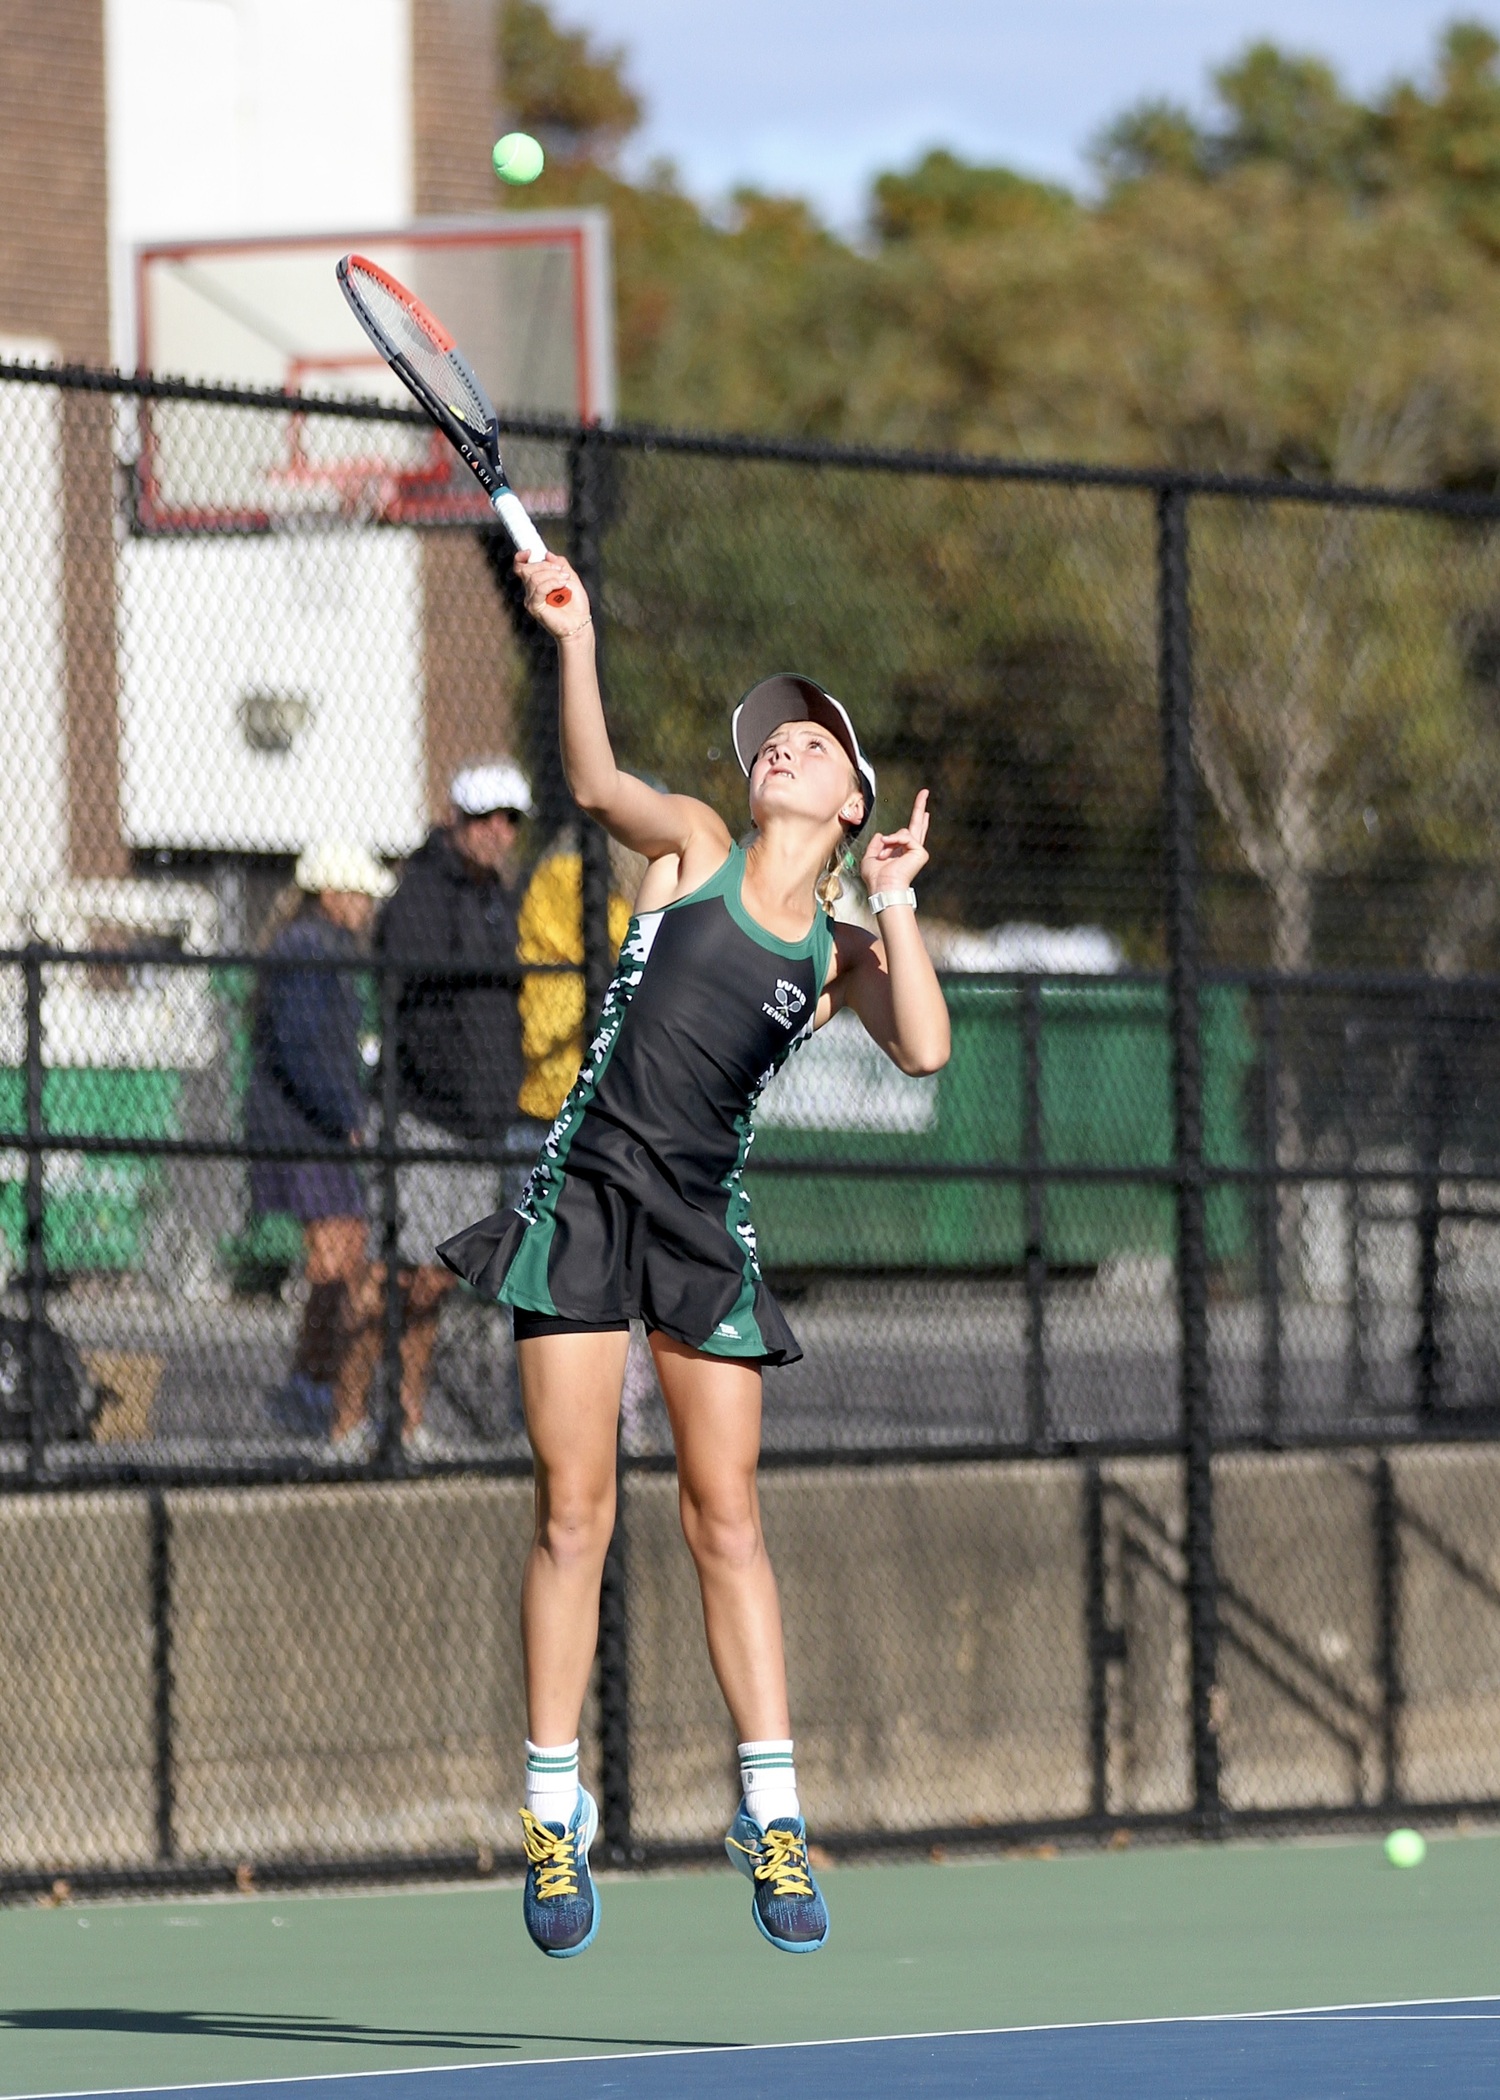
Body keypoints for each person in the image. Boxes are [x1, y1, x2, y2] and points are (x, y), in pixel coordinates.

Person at [440, 552, 951, 1960]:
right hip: (585, 1202)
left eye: (814, 743)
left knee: (725, 1519)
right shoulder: (693, 848)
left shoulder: (838, 949)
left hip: (700, 1230)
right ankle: (554, 1811)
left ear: (850, 804)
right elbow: (598, 782)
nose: (784, 746)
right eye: (773, 737)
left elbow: (924, 1047)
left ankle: (771, 1815)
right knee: (574, 1513)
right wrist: (575, 638)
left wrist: (896, 900)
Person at [375, 760, 536, 1451]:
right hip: (428, 1116)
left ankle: (406, 1420)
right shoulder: (422, 893)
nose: (498, 833)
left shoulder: (498, 898)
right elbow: (404, 997)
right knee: (407, 1275)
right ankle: (384, 1419)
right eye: (485, 819)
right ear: (457, 821)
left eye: (510, 821)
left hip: (480, 1120)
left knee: (437, 1278)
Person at [246, 842, 394, 1456]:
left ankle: (310, 1383)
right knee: (337, 1259)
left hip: (311, 1128)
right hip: (307, 1131)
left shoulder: (317, 945)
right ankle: (313, 1390)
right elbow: (304, 1048)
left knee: (340, 1259)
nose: (365, 908)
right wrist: (345, 1114)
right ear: (329, 894)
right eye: (358, 895)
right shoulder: (309, 948)